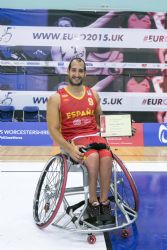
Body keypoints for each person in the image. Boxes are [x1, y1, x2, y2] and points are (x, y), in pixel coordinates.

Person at [47, 57, 113, 219]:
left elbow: (101, 123)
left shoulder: (94, 95)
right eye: (74, 70)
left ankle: (104, 201)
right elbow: (53, 130)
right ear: (68, 72)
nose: (77, 74)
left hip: (93, 138)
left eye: (80, 70)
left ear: (85, 73)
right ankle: (92, 201)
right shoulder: (56, 98)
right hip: (72, 141)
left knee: (106, 156)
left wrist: (124, 128)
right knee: (93, 156)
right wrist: (69, 148)